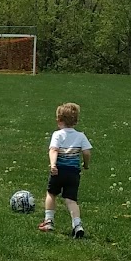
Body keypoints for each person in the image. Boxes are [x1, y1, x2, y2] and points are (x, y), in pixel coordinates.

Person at [40, 101, 92, 238]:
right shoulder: (81, 136)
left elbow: (53, 150)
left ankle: (49, 221)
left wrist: (53, 165)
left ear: (59, 120)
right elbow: (86, 152)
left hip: (59, 170)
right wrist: (85, 165)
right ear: (76, 121)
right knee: (71, 199)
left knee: (51, 193)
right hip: (73, 172)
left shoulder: (58, 135)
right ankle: (77, 224)